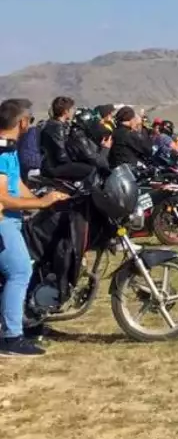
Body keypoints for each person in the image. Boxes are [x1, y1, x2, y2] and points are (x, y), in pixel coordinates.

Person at [0, 98, 70, 356]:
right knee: (18, 273)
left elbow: (15, 185)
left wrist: (43, 201)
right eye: (29, 120)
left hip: (12, 219)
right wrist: (40, 203)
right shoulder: (0, 151)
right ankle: (10, 338)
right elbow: (3, 198)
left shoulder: (9, 149)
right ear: (22, 122)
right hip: (3, 222)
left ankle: (24, 323)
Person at [38, 96, 96, 183]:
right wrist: (74, 161)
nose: (73, 112)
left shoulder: (52, 124)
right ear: (66, 111)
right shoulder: (57, 127)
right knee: (91, 170)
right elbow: (61, 154)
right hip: (54, 167)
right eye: (72, 109)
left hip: (49, 164)